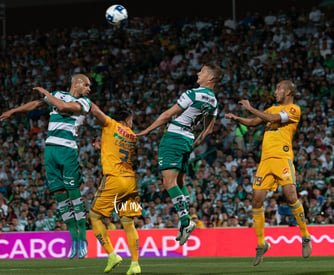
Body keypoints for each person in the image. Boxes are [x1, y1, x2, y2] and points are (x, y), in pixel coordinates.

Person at [0, 74, 92, 259]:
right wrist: (14, 110)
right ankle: (73, 241)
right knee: (60, 197)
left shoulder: (85, 102)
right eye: (87, 85)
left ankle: (83, 238)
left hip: (68, 150)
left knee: (74, 194)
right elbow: (37, 104)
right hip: (50, 150)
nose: (89, 88)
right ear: (77, 83)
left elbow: (64, 107)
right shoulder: (57, 95)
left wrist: (46, 93)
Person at [225, 80, 312, 266]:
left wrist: (250, 107)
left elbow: (272, 120)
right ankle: (261, 244)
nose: (275, 91)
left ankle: (305, 236)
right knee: (256, 200)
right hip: (265, 161)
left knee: (290, 196)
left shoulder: (294, 109)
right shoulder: (271, 109)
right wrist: (237, 118)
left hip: (282, 158)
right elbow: (253, 122)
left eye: (279, 88)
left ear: (288, 92)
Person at [137, 64, 223, 246]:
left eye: (202, 71)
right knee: (181, 182)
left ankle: (185, 222)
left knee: (168, 182)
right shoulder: (214, 101)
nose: (198, 73)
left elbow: (168, 114)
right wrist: (195, 142)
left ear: (210, 78)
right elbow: (208, 130)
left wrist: (147, 131)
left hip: (174, 137)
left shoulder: (193, 94)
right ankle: (187, 219)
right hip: (188, 140)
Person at [89, 103, 141, 275]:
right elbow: (117, 151)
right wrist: (103, 147)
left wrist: (84, 98)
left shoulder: (111, 124)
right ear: (127, 119)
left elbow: (96, 111)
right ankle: (135, 264)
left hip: (114, 179)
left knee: (95, 217)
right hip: (130, 181)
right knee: (128, 223)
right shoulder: (133, 136)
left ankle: (111, 254)